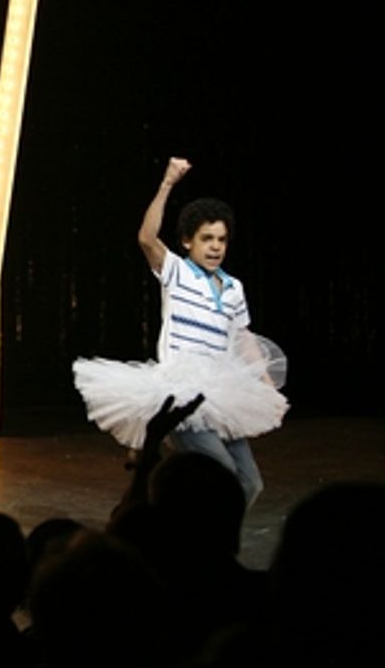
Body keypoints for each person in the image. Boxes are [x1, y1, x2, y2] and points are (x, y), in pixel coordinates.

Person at [73, 158, 287, 505]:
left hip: (220, 395)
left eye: (221, 239)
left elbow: (243, 338)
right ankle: (191, 541)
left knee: (249, 484)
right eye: (207, 239)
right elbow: (146, 238)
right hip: (183, 394)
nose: (216, 246)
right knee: (219, 475)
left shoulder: (234, 287)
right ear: (188, 241)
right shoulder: (177, 272)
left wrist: (266, 388)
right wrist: (167, 183)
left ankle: (208, 537)